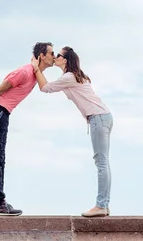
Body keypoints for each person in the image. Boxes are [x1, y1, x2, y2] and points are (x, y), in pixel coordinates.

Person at [0, 42, 55, 216]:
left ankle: (0, 202)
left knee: (0, 158)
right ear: (41, 55)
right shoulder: (25, 72)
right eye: (51, 53)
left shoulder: (34, 74)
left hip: (0, 112)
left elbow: (41, 87)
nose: (54, 57)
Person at [31, 46, 113, 218]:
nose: (55, 57)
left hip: (98, 118)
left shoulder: (69, 77)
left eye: (58, 55)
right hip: (101, 118)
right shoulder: (75, 76)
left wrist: (36, 68)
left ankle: (101, 205)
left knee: (102, 163)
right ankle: (103, 204)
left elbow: (45, 88)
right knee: (102, 162)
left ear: (65, 60)